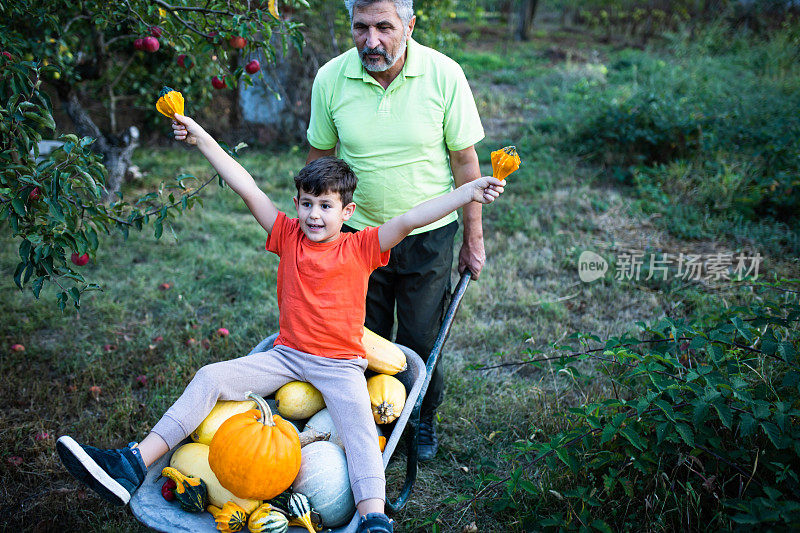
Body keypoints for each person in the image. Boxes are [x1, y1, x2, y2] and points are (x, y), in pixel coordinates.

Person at [55, 113, 504, 533]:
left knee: (361, 430)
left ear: (346, 212)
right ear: (296, 204)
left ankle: (372, 517)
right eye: (307, 204)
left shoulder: (361, 247)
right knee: (211, 375)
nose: (314, 216)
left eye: (326, 207)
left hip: (340, 364)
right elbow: (245, 186)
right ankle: (133, 463)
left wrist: (467, 192)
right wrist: (201, 139)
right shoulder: (287, 234)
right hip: (285, 356)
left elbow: (410, 219)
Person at [306, 0, 486, 460]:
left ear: (409, 24)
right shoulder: (331, 78)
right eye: (360, 27)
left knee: (421, 339)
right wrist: (314, 231)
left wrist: (473, 238)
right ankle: (371, 424)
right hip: (357, 238)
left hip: (429, 235)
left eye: (384, 27)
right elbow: (320, 159)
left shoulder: (444, 74)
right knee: (362, 337)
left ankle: (421, 416)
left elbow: (465, 163)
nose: (372, 41)